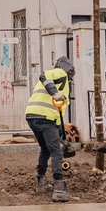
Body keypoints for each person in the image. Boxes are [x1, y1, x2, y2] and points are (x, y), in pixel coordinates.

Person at [24, 56, 74, 202]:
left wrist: (62, 137)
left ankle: (40, 183)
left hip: (32, 116)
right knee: (56, 152)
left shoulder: (62, 85)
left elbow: (58, 115)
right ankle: (58, 189)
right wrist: (55, 93)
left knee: (45, 148)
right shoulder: (60, 74)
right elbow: (43, 75)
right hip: (45, 118)